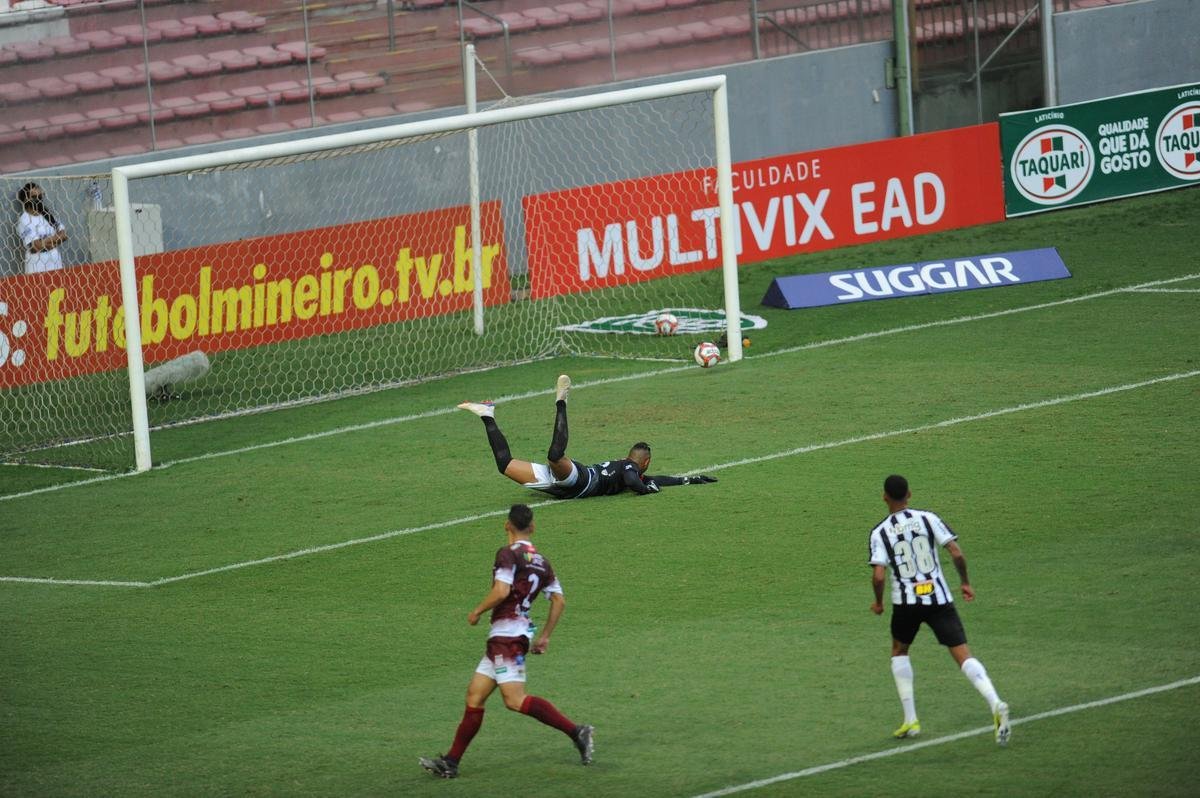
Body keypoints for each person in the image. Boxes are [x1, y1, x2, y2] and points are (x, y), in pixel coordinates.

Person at [420, 504, 593, 779]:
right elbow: (559, 600)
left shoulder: (507, 554)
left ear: (506, 525)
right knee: (474, 696)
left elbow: (501, 591)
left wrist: (477, 610)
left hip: (507, 637)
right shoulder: (542, 562)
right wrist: (545, 636)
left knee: (514, 700)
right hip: (510, 636)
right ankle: (451, 762)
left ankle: (576, 731)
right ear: (532, 527)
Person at [868, 474, 1011, 746]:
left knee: (899, 651)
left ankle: (911, 719)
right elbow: (956, 553)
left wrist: (878, 602)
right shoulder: (928, 519)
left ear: (884, 496)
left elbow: (878, 575)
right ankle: (995, 702)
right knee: (963, 655)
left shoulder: (881, 531)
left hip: (906, 603)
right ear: (909, 494)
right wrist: (965, 583)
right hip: (939, 599)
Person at [457, 374, 718, 499]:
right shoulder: (629, 468)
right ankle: (562, 400)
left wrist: (688, 480)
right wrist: (646, 490)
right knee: (554, 455)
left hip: (564, 485)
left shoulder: (627, 465)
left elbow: (655, 479)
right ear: (645, 461)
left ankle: (487, 414)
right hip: (580, 479)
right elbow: (635, 480)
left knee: (505, 465)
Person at [16, 183, 67, 274]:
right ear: (26, 199)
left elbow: (64, 235)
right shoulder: (24, 220)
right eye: (34, 197)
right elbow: (36, 246)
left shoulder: (47, 215)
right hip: (37, 265)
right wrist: (55, 239)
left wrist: (46, 242)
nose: (38, 199)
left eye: (40, 196)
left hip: (55, 261)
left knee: (59, 287)